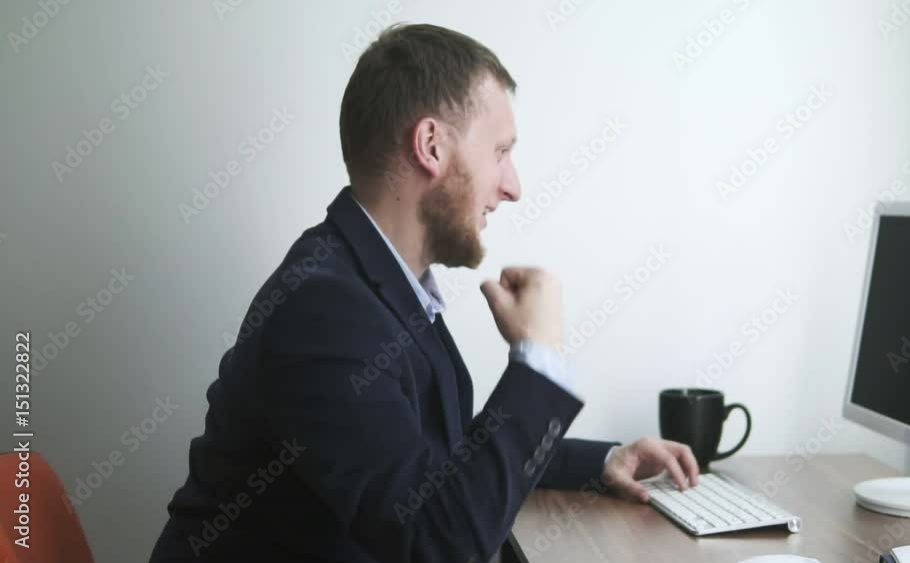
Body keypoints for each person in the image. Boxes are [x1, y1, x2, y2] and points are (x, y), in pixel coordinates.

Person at [149, 23, 699, 563]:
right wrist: (540, 362)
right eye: (501, 152)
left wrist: (602, 462)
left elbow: (439, 463)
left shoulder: (374, 282)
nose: (512, 186)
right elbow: (440, 541)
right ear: (431, 145)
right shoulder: (324, 310)